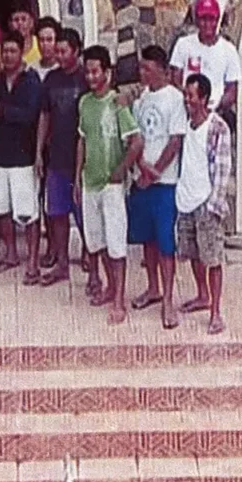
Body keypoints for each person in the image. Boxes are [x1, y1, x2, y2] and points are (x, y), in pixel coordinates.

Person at [74, 44, 139, 323]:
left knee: (116, 244)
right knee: (96, 241)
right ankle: (109, 287)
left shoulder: (117, 104)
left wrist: (121, 170)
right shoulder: (84, 103)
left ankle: (118, 299)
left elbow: (136, 141)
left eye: (95, 71)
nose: (90, 76)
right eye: (87, 71)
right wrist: (78, 177)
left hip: (111, 186)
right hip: (90, 182)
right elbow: (82, 140)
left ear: (106, 72)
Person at [129, 45, 188, 327]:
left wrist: (154, 172)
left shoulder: (175, 99)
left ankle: (167, 299)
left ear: (162, 70)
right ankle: (152, 287)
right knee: (147, 238)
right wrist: (140, 166)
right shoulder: (140, 100)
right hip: (141, 179)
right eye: (141, 68)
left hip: (164, 182)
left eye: (147, 69)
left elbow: (174, 141)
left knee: (165, 242)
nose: (142, 74)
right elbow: (135, 137)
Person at [173, 71, 233, 334]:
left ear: (204, 98)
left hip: (206, 202)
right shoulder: (184, 123)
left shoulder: (217, 127)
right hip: (185, 199)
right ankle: (202, 295)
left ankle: (216, 312)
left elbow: (222, 169)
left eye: (191, 96)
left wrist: (214, 205)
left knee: (212, 258)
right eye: (186, 95)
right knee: (194, 254)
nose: (187, 100)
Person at [0, 29, 45, 272]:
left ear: (21, 54)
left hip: (23, 156)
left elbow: (30, 115)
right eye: (4, 51)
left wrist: (3, 110)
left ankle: (32, 262)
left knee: (28, 212)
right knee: (2, 209)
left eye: (12, 51)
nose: (8, 56)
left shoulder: (31, 80)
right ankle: (11, 254)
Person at [36, 19, 86, 288]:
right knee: (56, 213)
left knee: (84, 213)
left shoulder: (86, 78)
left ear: (76, 51)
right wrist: (38, 153)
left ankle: (91, 260)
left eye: (65, 51)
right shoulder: (51, 79)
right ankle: (62, 264)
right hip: (56, 155)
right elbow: (45, 115)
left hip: (81, 159)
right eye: (58, 51)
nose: (60, 55)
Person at [171, 0, 242, 119]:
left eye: (212, 19)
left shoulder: (229, 50)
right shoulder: (183, 44)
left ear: (218, 20)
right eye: (203, 19)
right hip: (187, 111)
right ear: (197, 21)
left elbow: (232, 90)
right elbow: (175, 79)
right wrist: (189, 102)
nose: (207, 24)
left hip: (216, 112)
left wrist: (214, 109)